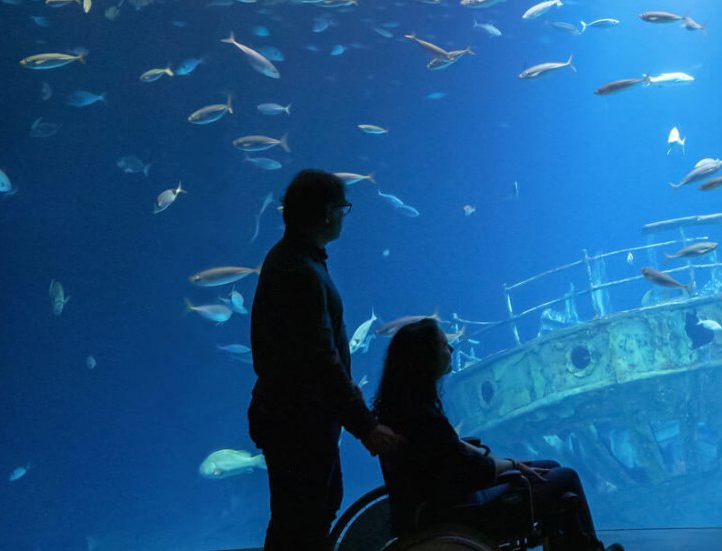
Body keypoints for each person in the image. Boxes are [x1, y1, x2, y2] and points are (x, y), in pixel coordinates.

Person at [248, 169, 405, 551]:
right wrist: (365, 425)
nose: (344, 216)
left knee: (309, 512)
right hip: (299, 422)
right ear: (324, 214)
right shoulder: (300, 271)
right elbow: (321, 359)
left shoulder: (292, 258)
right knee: (301, 520)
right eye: (342, 208)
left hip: (296, 418)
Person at [374, 317, 622, 551]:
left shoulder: (403, 408)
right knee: (565, 477)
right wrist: (510, 465)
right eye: (443, 345)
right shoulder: (422, 415)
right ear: (424, 358)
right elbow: (466, 471)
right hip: (456, 513)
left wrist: (491, 460)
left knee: (548, 467)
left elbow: (448, 450)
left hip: (434, 507)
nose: (451, 349)